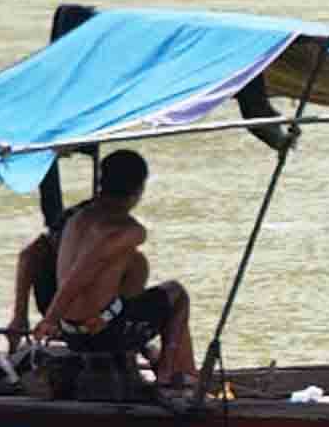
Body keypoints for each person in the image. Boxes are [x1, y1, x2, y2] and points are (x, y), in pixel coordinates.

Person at [23, 150, 198, 387]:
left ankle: (163, 364)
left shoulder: (78, 217)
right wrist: (50, 320)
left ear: (101, 183)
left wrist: (54, 319)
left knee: (136, 263)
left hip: (72, 330)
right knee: (177, 294)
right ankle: (167, 376)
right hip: (99, 333)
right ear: (139, 189)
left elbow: (35, 254)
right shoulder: (129, 230)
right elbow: (83, 271)